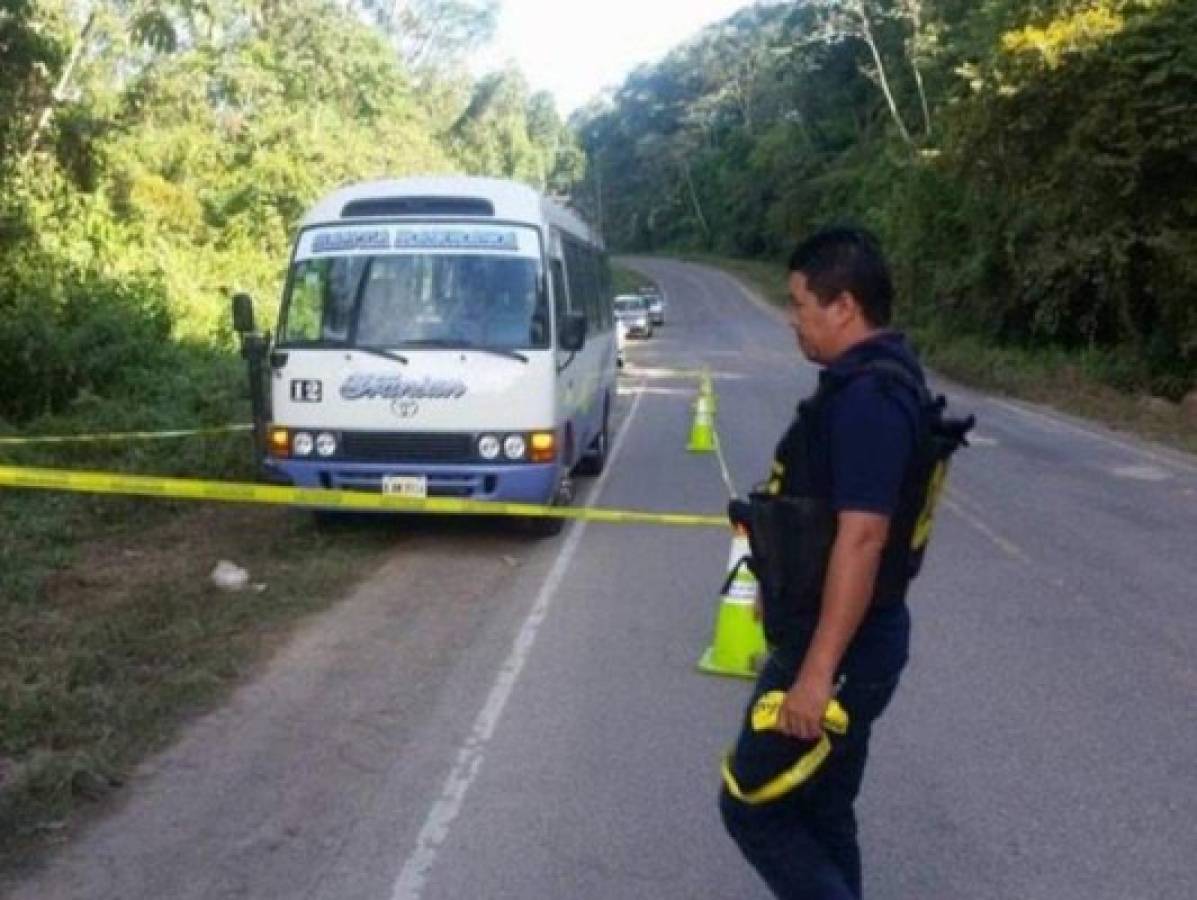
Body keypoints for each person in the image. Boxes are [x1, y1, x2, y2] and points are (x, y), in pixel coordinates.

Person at [720, 227, 936, 899]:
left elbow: (864, 537)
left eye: (800, 303)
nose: (794, 319)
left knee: (749, 802)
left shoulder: (870, 399)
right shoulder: (868, 384)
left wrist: (814, 675)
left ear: (843, 306)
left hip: (838, 648)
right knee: (820, 805)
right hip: (847, 636)